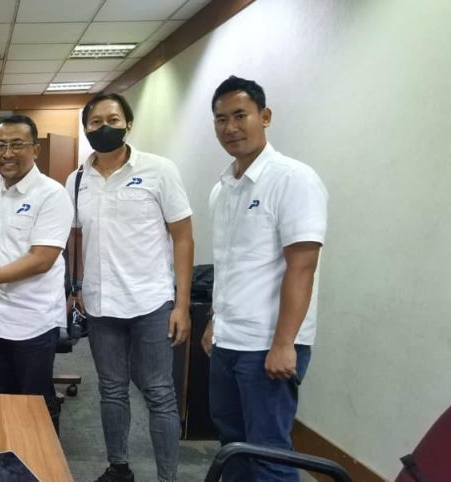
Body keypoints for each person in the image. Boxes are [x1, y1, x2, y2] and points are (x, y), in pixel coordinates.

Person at [203, 76, 328, 482]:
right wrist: (215, 322)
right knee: (233, 446)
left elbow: (302, 267)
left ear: (265, 116)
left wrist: (284, 343)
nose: (230, 127)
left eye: (240, 115)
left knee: (269, 454)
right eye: (221, 119)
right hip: (229, 341)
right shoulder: (223, 189)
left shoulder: (293, 179)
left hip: (268, 345)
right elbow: (231, 265)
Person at [71, 93, 194, 482]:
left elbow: (183, 237)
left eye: (113, 119)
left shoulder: (159, 170)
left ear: (128, 124)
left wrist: (182, 305)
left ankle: (168, 477)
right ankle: (119, 466)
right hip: (100, 303)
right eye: (95, 121)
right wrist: (77, 286)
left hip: (151, 302)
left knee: (159, 392)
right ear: (86, 128)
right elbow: (76, 238)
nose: (104, 127)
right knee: (111, 390)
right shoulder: (77, 180)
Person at [0, 114, 73, 432]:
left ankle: (42, 456)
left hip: (32, 320)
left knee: (34, 403)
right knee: (0, 398)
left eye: (17, 144)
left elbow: (41, 260)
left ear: (35, 149)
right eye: (0, 145)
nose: (7, 153)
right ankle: (4, 450)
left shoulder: (51, 194)